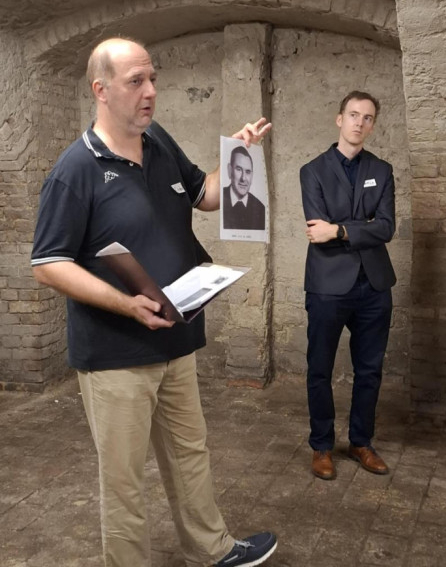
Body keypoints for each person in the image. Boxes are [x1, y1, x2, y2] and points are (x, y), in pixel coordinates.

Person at [31, 37, 277, 567]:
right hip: (116, 353)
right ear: (101, 90)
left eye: (153, 79)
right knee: (124, 481)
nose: (150, 92)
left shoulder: (158, 140)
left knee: (190, 454)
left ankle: (210, 549)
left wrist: (238, 155)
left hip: (176, 338)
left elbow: (204, 196)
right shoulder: (74, 170)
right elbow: (48, 264)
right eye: (136, 82)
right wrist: (126, 304)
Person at [299, 91, 396, 481]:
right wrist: (362, 227)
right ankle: (322, 445)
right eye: (354, 114)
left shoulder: (382, 170)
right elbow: (315, 229)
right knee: (319, 369)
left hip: (374, 285)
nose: (360, 122)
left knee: (369, 370)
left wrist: (339, 229)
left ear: (372, 126)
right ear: (339, 119)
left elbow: (386, 228)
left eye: (367, 118)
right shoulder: (312, 171)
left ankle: (361, 442)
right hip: (327, 284)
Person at [223, 146, 266, 230]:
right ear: (229, 170)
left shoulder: (260, 209)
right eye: (239, 169)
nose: (243, 178)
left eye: (248, 172)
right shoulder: (219, 199)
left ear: (252, 175)